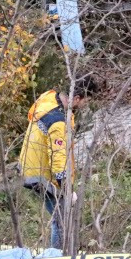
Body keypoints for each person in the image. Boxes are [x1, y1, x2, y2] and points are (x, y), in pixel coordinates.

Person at [19, 76, 99, 249]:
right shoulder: (58, 121)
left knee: (60, 215)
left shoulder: (49, 97)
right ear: (77, 99)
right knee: (62, 217)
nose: (86, 105)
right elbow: (58, 157)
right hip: (41, 175)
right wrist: (66, 189)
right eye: (86, 101)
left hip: (30, 167)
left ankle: (62, 252)